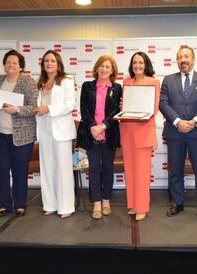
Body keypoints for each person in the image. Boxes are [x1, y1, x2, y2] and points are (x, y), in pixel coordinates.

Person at [159, 46, 197, 221]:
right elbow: (163, 104)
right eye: (180, 57)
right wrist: (178, 121)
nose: (183, 60)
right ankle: (177, 202)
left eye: (186, 56)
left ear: (193, 59)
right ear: (177, 61)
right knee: (175, 170)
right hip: (175, 131)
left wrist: (194, 121)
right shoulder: (168, 80)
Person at [0, 49, 38, 217]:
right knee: (1, 170)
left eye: (14, 63)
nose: (11, 65)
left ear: (21, 67)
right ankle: (4, 205)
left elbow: (33, 107)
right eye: (8, 62)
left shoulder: (28, 83)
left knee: (20, 172)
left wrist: (17, 109)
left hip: (21, 137)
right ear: (4, 65)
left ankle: (20, 205)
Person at [77, 55, 122, 219]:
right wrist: (92, 128)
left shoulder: (117, 88)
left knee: (108, 168)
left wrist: (103, 126)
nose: (104, 69)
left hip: (109, 134)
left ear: (112, 71)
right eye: (102, 66)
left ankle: (106, 201)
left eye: (107, 67)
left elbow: (116, 111)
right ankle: (96, 202)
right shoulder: (87, 86)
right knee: (94, 168)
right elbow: (84, 109)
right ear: (97, 68)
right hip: (91, 134)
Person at [35, 50, 76, 219]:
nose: (49, 63)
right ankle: (50, 204)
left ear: (58, 63)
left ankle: (66, 206)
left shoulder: (66, 80)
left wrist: (48, 109)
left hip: (61, 130)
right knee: (47, 168)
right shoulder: (41, 82)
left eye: (52, 60)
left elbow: (70, 105)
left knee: (63, 170)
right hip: (44, 128)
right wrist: (39, 109)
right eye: (46, 61)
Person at [120, 51, 160, 221]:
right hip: (127, 130)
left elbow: (155, 108)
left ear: (146, 65)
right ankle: (133, 205)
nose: (137, 66)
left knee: (142, 172)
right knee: (130, 170)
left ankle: (142, 207)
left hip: (143, 130)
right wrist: (123, 105)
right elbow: (125, 105)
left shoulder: (154, 82)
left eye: (141, 63)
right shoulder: (126, 82)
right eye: (135, 62)